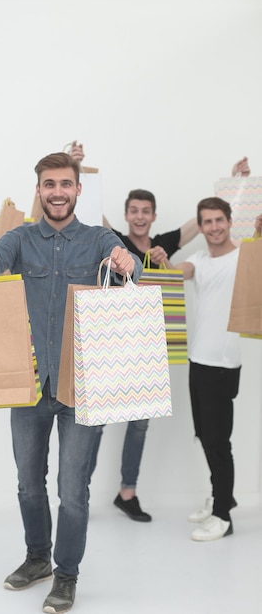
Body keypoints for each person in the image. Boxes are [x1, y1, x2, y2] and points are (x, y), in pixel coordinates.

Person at [0, 152, 143, 614]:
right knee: (27, 483)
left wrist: (126, 262)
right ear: (38, 190)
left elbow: (132, 269)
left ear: (78, 190)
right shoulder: (20, 237)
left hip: (82, 386)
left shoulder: (100, 238)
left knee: (73, 489)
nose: (58, 192)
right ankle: (37, 558)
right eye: (49, 184)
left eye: (66, 183)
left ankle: (66, 575)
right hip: (28, 385)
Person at [89, 156, 252, 523]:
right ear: (127, 215)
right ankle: (79, 495)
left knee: (141, 423)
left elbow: (205, 221)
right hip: (111, 341)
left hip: (149, 345)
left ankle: (126, 493)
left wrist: (234, 183)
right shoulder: (113, 240)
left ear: (154, 215)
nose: (141, 216)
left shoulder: (165, 245)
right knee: (96, 422)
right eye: (134, 211)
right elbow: (92, 213)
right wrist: (77, 168)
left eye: (147, 211)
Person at [172, 197, 242, 541]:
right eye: (207, 222)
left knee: (218, 442)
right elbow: (176, 273)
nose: (214, 227)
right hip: (197, 361)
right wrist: (160, 261)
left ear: (230, 221)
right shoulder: (198, 260)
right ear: (200, 228)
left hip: (222, 366)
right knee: (205, 435)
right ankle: (220, 497)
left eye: (219, 220)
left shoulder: (243, 257)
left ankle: (223, 517)